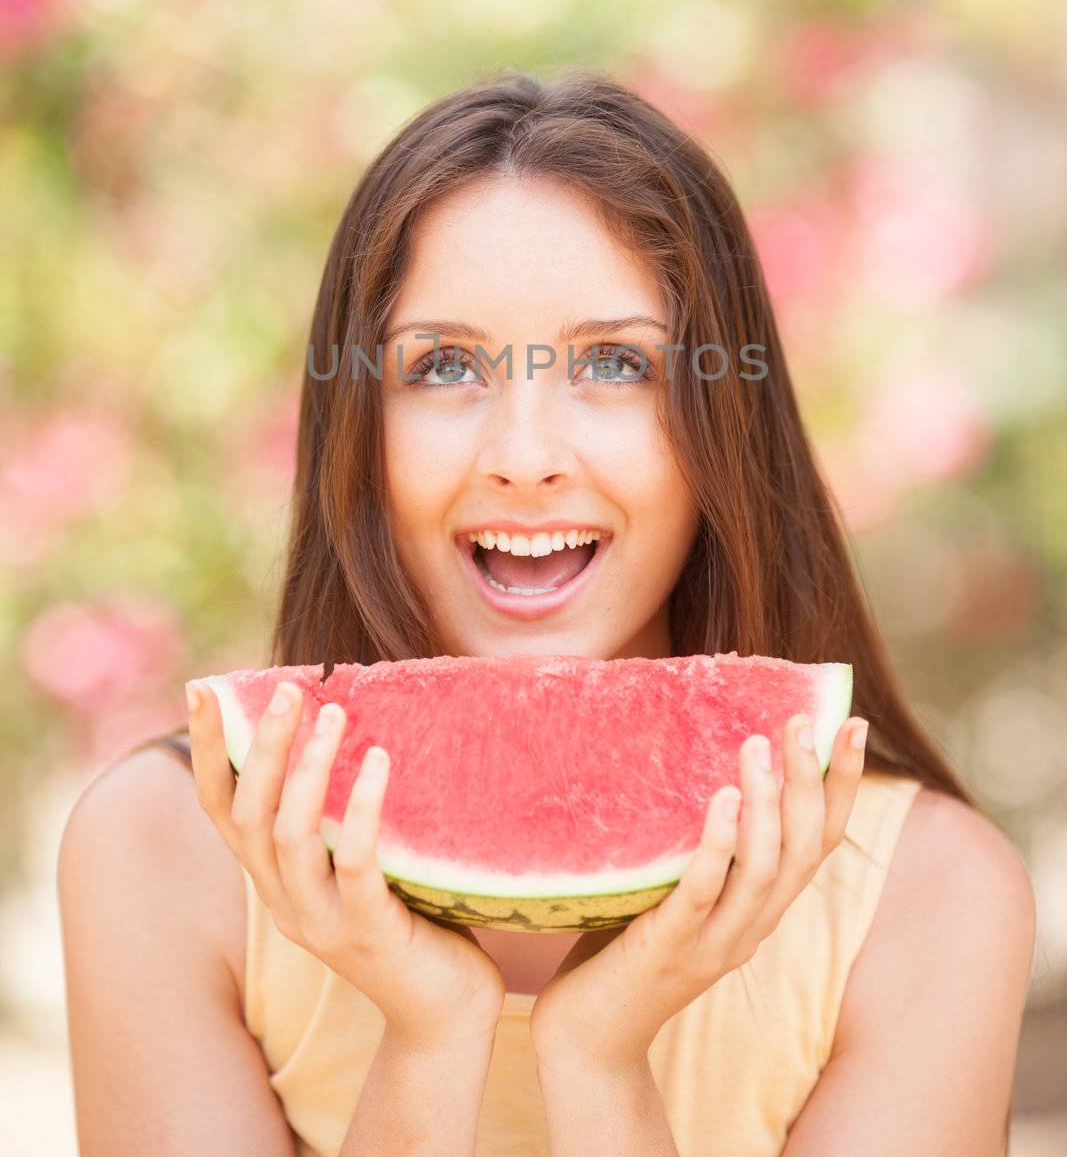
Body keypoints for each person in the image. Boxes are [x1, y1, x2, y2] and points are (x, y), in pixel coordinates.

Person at [58, 68, 1035, 1156]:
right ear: (358, 428)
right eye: (443, 367)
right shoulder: (162, 857)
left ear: (722, 422)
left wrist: (599, 1057)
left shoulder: (924, 903)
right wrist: (429, 1036)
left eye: (614, 363)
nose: (523, 458)